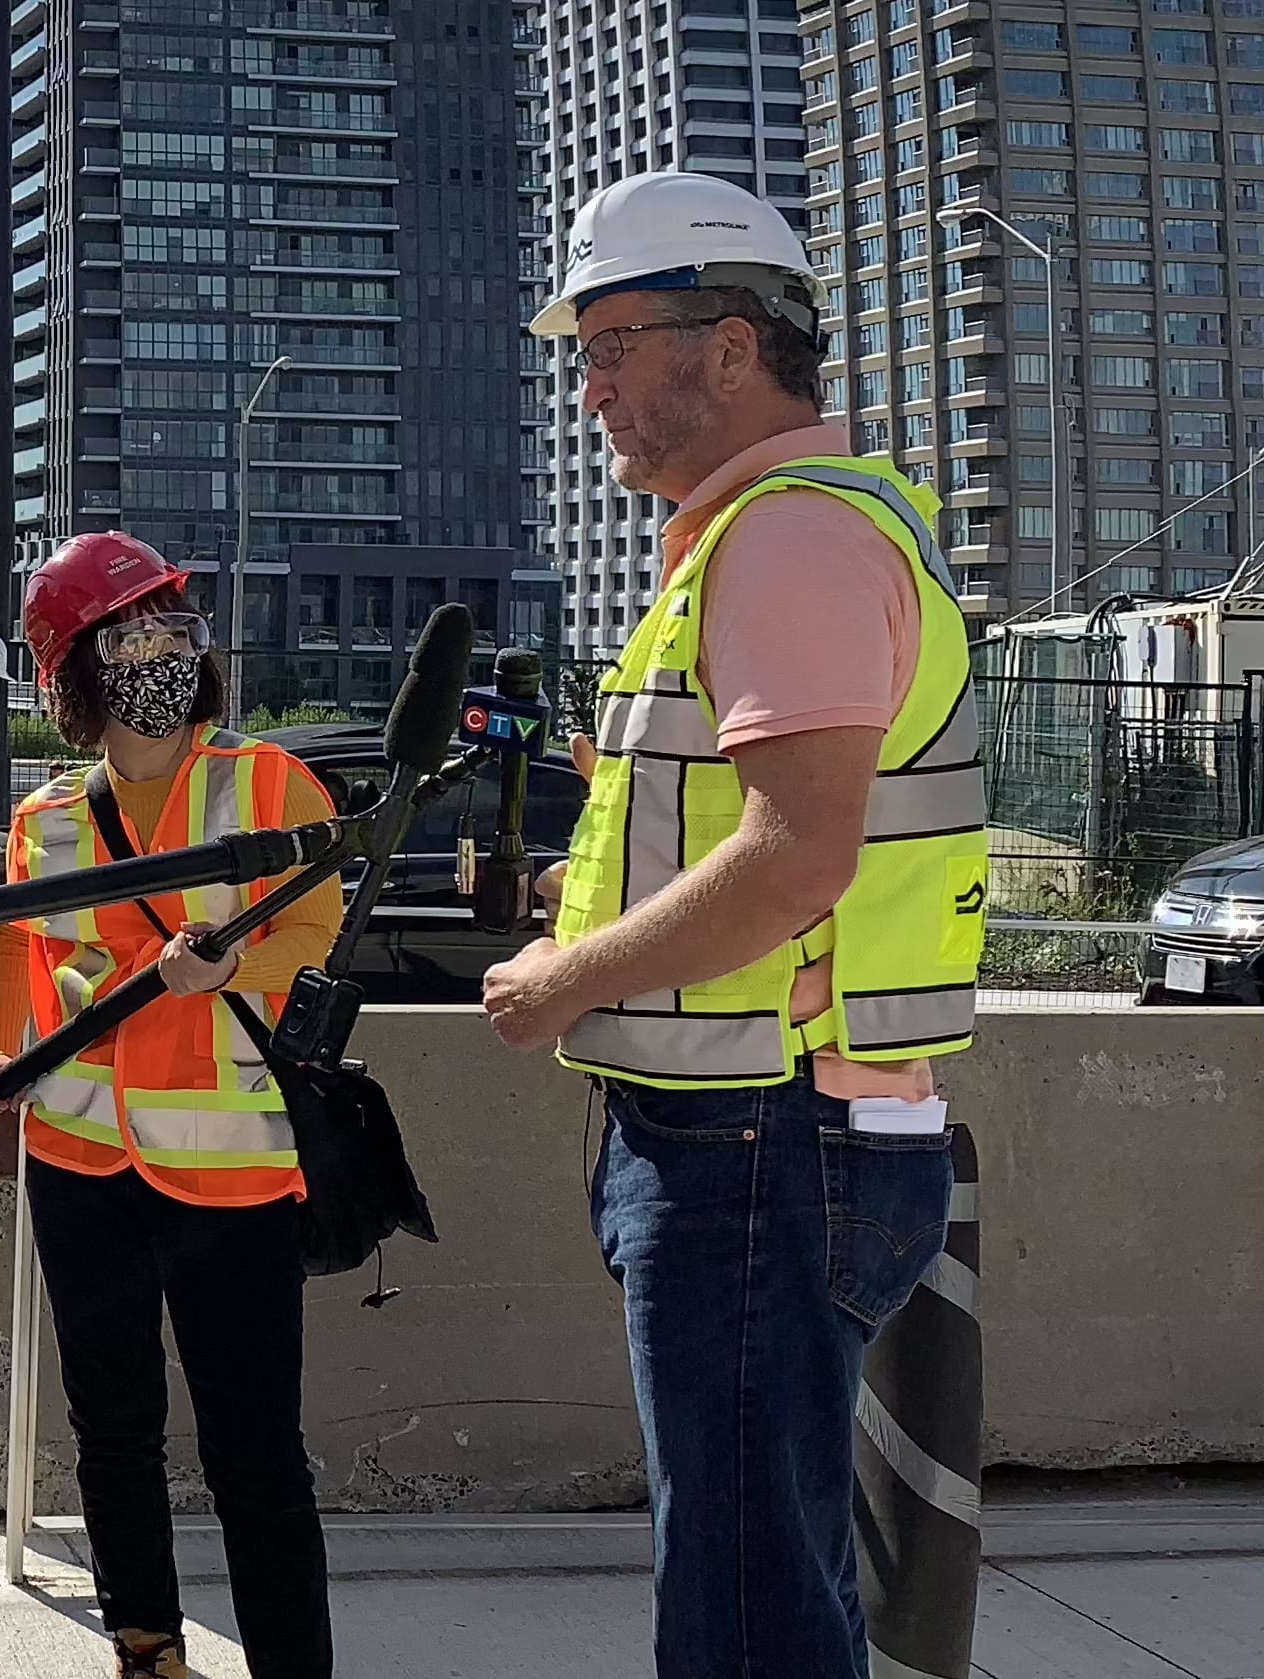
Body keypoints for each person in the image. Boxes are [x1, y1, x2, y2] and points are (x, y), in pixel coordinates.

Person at [487, 171, 985, 1679]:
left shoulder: (784, 541)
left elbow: (791, 859)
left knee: (746, 1612)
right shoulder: (765, 540)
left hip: (761, 1141)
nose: (591, 386)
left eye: (613, 341)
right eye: (581, 352)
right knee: (767, 1572)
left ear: (729, 346)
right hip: (771, 1128)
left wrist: (564, 976)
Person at [0, 533, 342, 1679]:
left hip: (230, 1175)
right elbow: (13, 939)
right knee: (112, 1428)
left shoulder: (266, 782)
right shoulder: (48, 817)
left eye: (175, 630)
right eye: (132, 636)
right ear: (80, 667)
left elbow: (316, 928)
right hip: (80, 1166)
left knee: (256, 1449)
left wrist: (232, 970)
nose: (161, 655)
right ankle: (147, 1646)